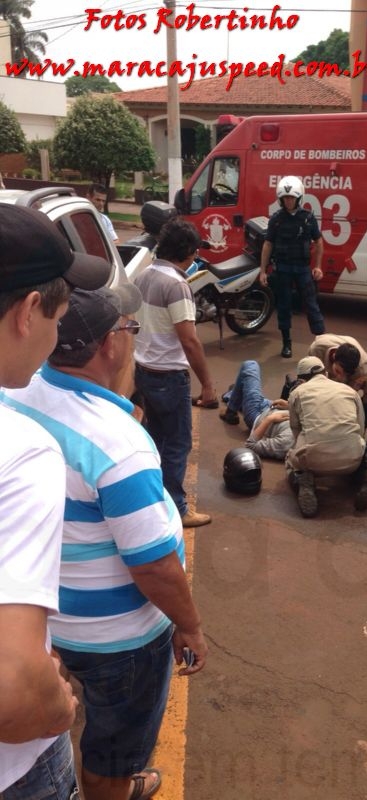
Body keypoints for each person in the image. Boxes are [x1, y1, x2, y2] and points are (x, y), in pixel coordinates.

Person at [3, 284, 209, 799]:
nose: (131, 338)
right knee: (114, 747)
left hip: (53, 621)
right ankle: (112, 786)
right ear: (109, 345)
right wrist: (190, 626)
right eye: (128, 327)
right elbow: (154, 567)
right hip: (121, 639)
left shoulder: (17, 393)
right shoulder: (119, 446)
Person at [0, 203, 112, 798]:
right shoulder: (20, 452)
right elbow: (14, 685)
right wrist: (57, 709)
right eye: (59, 313)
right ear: (27, 312)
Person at [134, 217, 218, 528]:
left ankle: (151, 499)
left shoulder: (145, 276)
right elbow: (190, 340)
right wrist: (207, 384)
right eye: (195, 251)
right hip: (169, 377)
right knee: (178, 443)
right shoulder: (177, 285)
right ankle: (177, 509)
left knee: (156, 439)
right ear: (187, 252)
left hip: (144, 371)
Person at [286, 356, 367, 517]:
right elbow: (361, 428)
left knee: (290, 458)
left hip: (314, 461)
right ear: (325, 372)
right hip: (352, 459)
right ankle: (364, 473)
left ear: (302, 379)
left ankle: (303, 482)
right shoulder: (349, 391)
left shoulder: (297, 393)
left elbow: (296, 430)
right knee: (359, 450)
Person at [258, 176, 325, 358]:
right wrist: (263, 270)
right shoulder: (276, 219)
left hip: (303, 268)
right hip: (283, 269)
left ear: (298, 198)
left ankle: (321, 343)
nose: (288, 201)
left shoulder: (308, 218)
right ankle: (286, 344)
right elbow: (268, 244)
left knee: (311, 305)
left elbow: (318, 241)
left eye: (291, 198)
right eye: (285, 198)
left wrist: (318, 266)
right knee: (284, 306)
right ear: (281, 199)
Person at [219, 359, 294, 460]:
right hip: (273, 407)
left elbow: (251, 445)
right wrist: (289, 406)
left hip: (257, 415)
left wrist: (269, 419)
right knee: (244, 386)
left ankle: (231, 411)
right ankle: (234, 394)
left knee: (250, 365)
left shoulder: (287, 442)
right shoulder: (314, 423)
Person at [308, 333, 367, 428]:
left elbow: (349, 394)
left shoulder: (361, 367)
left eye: (345, 373)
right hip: (324, 368)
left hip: (353, 376)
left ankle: (360, 426)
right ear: (334, 357)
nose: (340, 376)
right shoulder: (317, 348)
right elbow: (310, 375)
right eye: (339, 371)